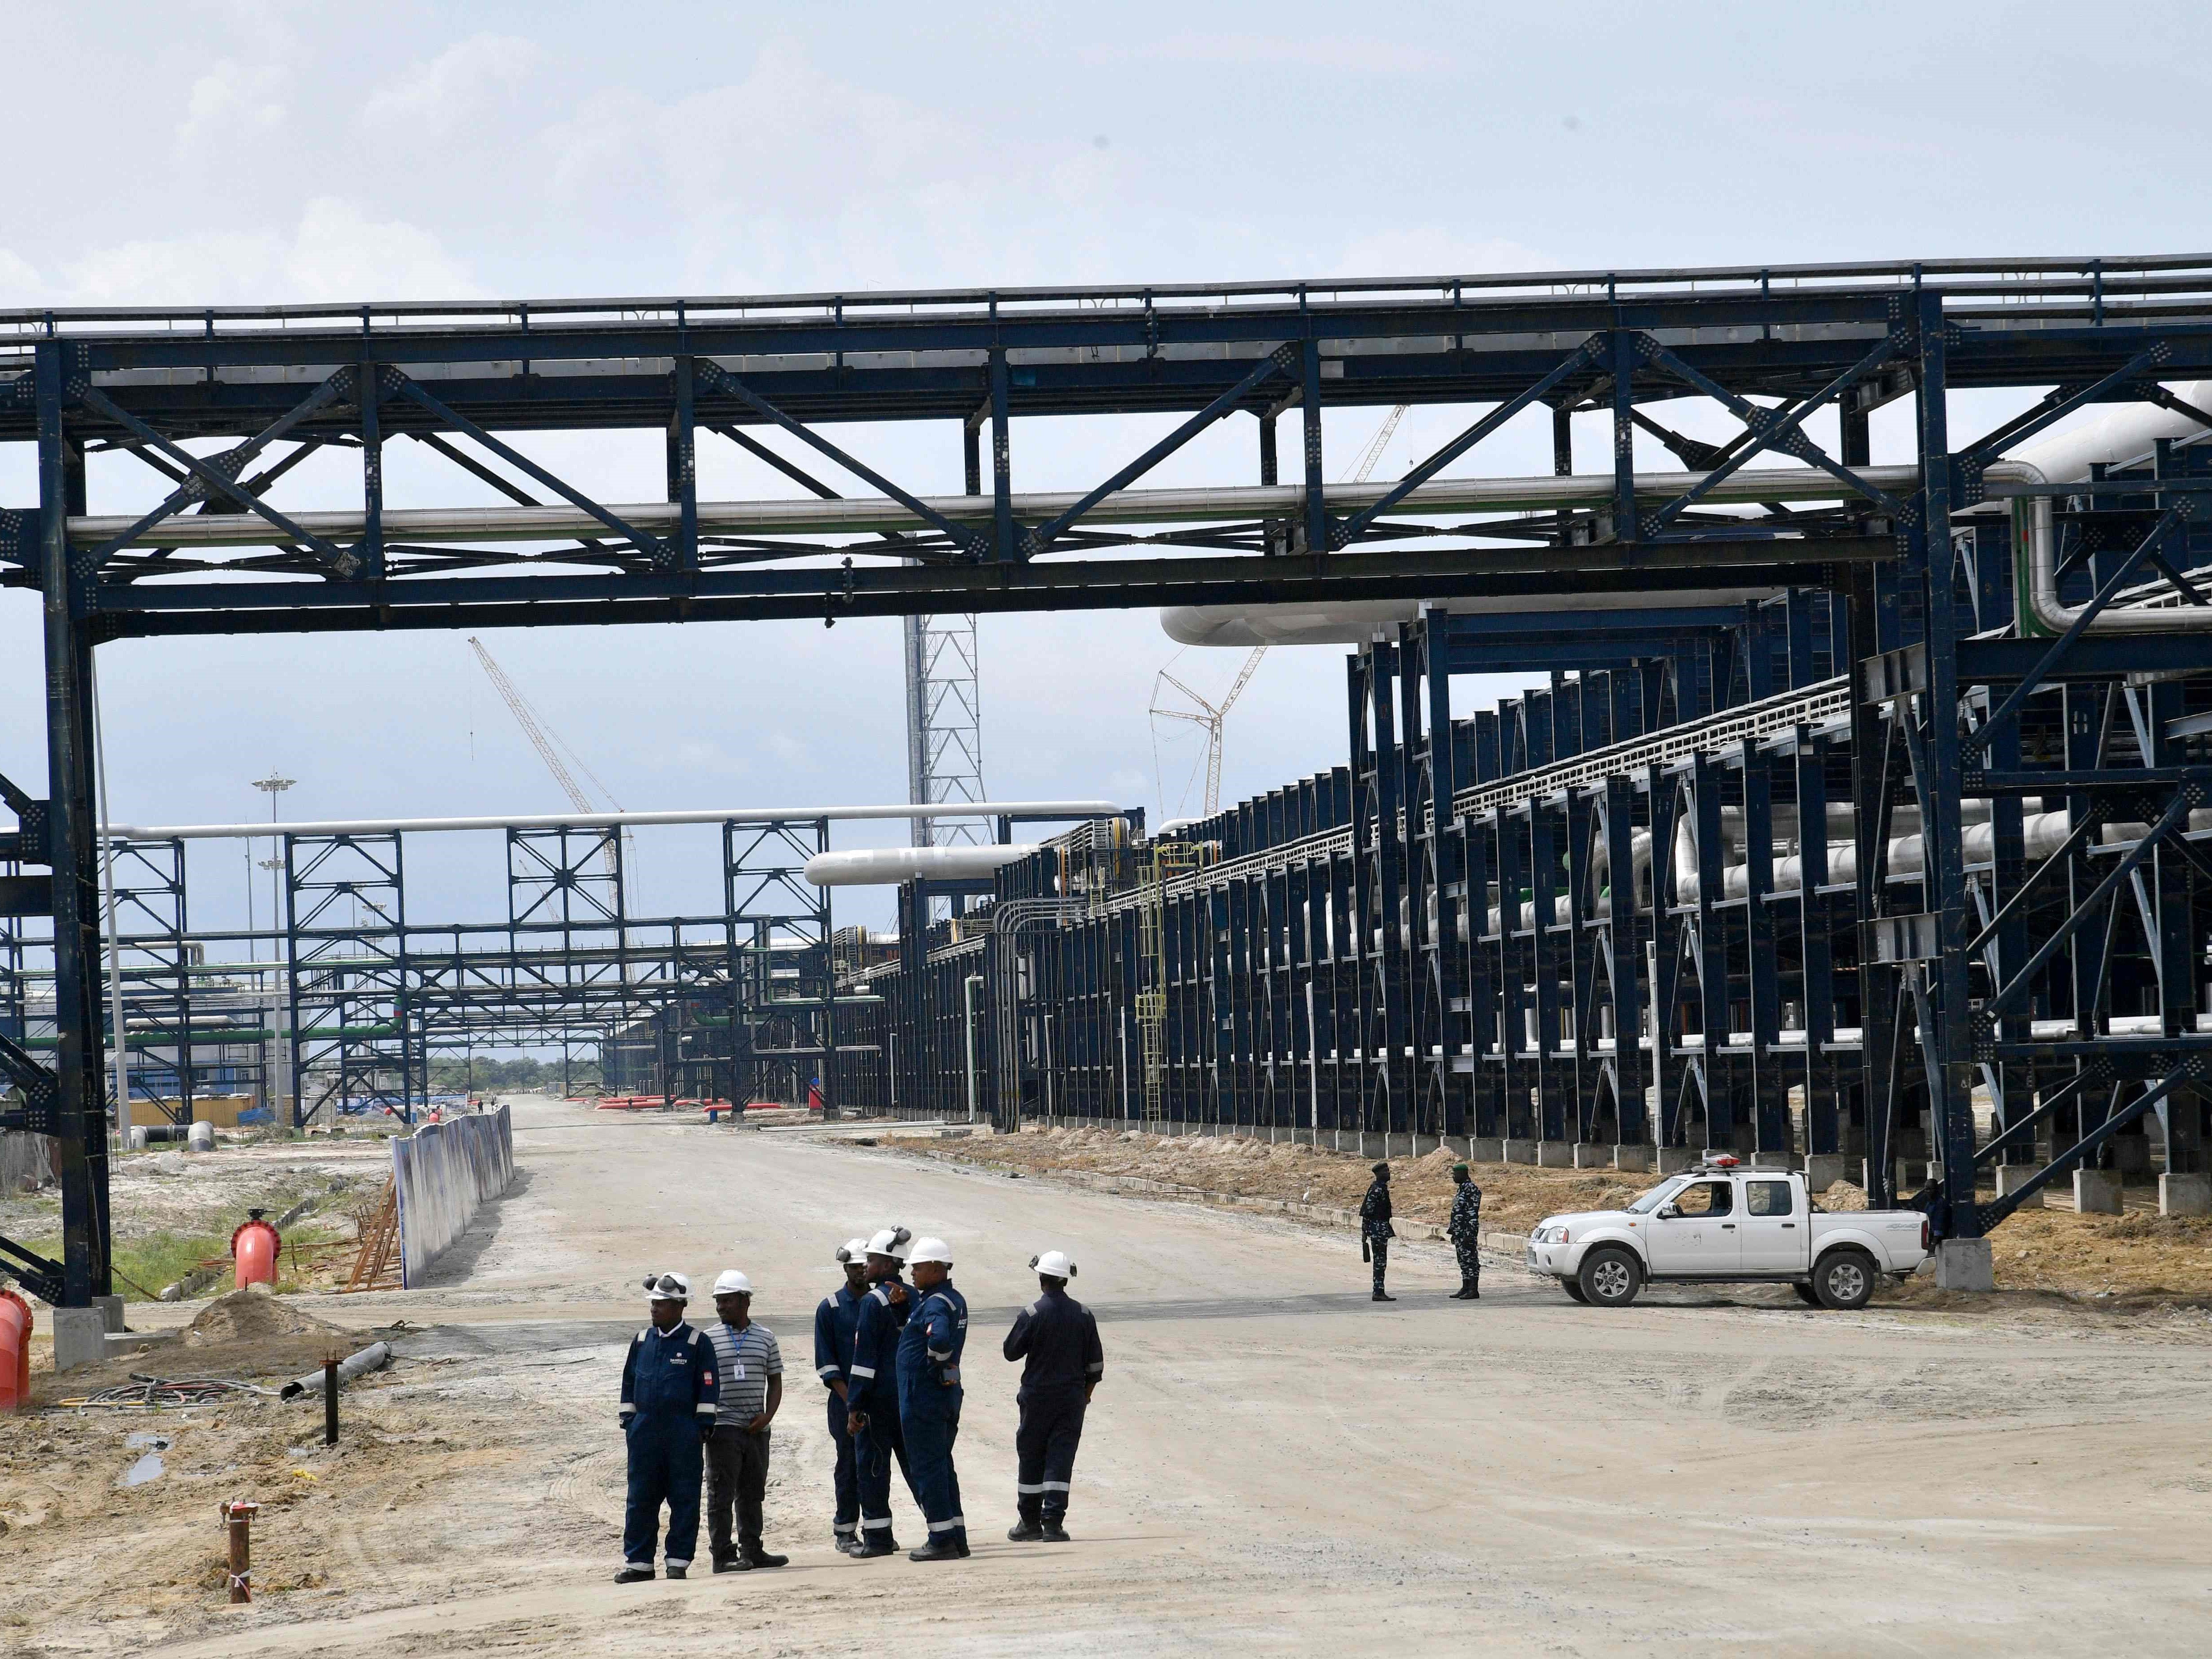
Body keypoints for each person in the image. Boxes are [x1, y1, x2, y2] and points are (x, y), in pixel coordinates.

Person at [616, 1271, 719, 1583]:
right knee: (641, 1499)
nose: (654, 1309)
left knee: (684, 1498)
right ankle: (639, 1564)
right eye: (653, 1303)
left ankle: (678, 1561)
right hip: (644, 1433)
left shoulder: (696, 1342)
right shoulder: (642, 1341)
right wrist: (630, 1421)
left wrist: (701, 1426)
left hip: (682, 1434)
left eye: (661, 1304)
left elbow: (709, 1386)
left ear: (679, 1306)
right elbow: (629, 1382)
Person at [1003, 1249, 1103, 1544]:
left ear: (1041, 1279)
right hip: (1071, 1400)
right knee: (1060, 1457)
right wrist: (1083, 1397)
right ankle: (1053, 1525)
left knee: (1031, 1455)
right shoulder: (1084, 1315)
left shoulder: (1032, 1314)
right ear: (1065, 1281)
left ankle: (1029, 1523)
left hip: (1036, 1399)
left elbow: (1010, 1353)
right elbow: (1095, 1367)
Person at [703, 1269, 786, 1572]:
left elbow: (775, 1380)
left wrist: (768, 1415)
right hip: (722, 1429)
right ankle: (722, 1556)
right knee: (721, 1494)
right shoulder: (708, 1339)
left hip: (756, 1429)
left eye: (726, 1301)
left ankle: (752, 1550)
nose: (720, 1307)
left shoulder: (766, 1338)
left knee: (753, 1492)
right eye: (718, 1302)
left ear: (744, 1301)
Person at [847, 1225, 921, 1557]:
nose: (866, 1265)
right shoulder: (920, 1296)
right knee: (918, 1466)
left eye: (872, 1259)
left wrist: (855, 1404)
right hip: (910, 1399)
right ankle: (945, 1530)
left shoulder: (871, 1302)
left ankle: (877, 1539)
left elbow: (864, 1363)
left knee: (873, 1469)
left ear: (889, 1264)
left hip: (877, 1404)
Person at [897, 1237, 970, 1561]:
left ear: (936, 1268)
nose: (912, 1273)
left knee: (927, 1468)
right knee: (942, 1467)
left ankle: (940, 1540)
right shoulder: (950, 1298)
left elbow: (939, 1339)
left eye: (917, 1267)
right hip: (940, 1396)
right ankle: (955, 1536)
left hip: (924, 1397)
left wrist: (935, 1361)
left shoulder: (937, 1302)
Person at [814, 1238, 872, 1555]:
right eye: (854, 1267)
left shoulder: (883, 1302)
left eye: (865, 1266)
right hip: (844, 1404)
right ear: (845, 1268)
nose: (860, 1272)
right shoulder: (831, 1309)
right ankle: (845, 1530)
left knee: (875, 1465)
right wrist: (852, 1402)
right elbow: (827, 1364)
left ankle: (876, 1528)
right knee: (849, 1464)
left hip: (878, 1402)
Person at [1447, 1163, 1483, 1299]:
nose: (1454, 1177)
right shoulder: (1462, 1189)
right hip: (1460, 1231)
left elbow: (1472, 1213)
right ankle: (1466, 1286)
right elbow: (1458, 1212)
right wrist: (1454, 1232)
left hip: (1467, 1231)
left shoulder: (1471, 1189)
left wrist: (1470, 1233)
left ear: (1463, 1174)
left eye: (1455, 1174)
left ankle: (1473, 1289)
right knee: (1462, 1259)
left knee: (1471, 1259)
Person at [1361, 1162, 1395, 1301]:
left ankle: (1379, 1290)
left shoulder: (1381, 1188)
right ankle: (1378, 1291)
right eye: (1386, 1171)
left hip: (1380, 1227)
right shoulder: (1377, 1189)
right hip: (1377, 1228)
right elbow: (1368, 1210)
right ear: (1379, 1174)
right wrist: (1365, 1230)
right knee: (1380, 1262)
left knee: (1381, 1261)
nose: (1389, 1173)